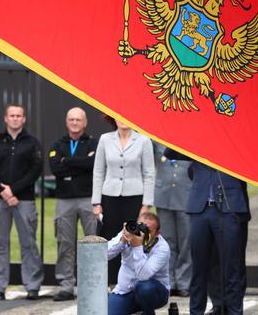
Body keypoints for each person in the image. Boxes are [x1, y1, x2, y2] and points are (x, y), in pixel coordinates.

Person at [0, 104, 44, 300]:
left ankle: (32, 286)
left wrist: (14, 190)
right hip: (0, 200)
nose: (15, 119)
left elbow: (35, 170)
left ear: (24, 119)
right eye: (12, 115)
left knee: (28, 244)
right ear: (6, 118)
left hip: (23, 200)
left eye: (19, 116)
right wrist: (3, 191)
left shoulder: (32, 143)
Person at [92, 116, 155, 284]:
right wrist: (96, 202)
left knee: (134, 239)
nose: (123, 119)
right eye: (118, 116)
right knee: (111, 240)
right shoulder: (105, 139)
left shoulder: (143, 140)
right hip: (110, 198)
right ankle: (110, 282)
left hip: (134, 198)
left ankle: (133, 282)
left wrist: (146, 204)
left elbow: (149, 173)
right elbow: (98, 172)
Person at [182, 160, 249, 315]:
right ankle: (196, 311)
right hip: (200, 209)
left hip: (228, 207)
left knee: (232, 267)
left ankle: (234, 311)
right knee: (199, 268)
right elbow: (171, 152)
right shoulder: (198, 140)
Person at [48, 107, 98, 301]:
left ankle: (93, 285)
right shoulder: (57, 144)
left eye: (78, 120)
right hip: (64, 199)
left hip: (88, 198)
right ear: (66, 122)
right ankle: (66, 285)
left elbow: (93, 165)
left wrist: (67, 162)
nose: (75, 123)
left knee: (92, 242)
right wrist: (82, 162)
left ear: (85, 123)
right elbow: (56, 169)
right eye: (71, 119)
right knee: (65, 243)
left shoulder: (94, 142)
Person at [107, 212, 170, 315]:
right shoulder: (129, 232)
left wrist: (137, 247)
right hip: (126, 290)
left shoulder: (162, 248)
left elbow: (143, 276)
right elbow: (103, 255)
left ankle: (148, 312)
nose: (142, 232)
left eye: (147, 230)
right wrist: (122, 240)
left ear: (158, 233)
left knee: (144, 288)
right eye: (140, 226)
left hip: (155, 291)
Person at [153, 143, 192, 297]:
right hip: (164, 194)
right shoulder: (157, 138)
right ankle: (168, 281)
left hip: (185, 194)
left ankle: (184, 282)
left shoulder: (190, 137)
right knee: (167, 241)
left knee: (185, 242)